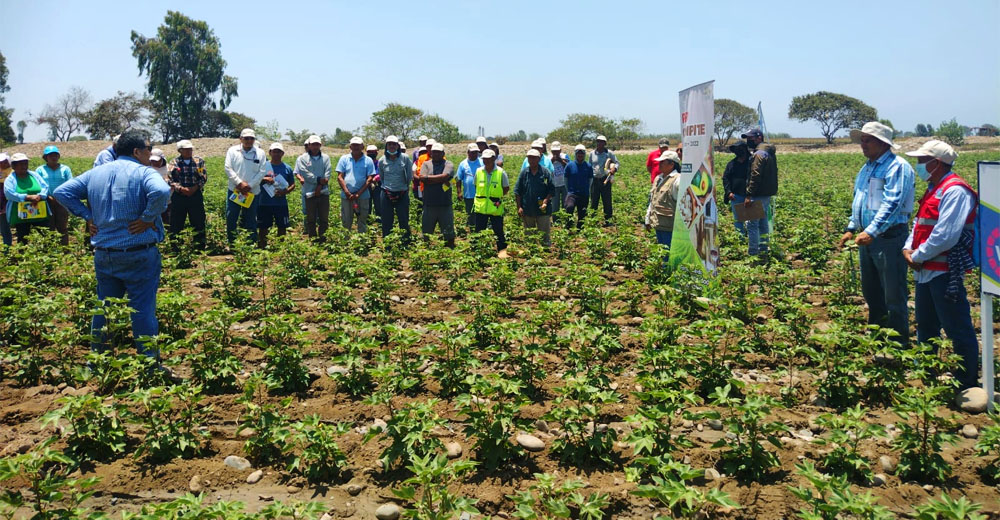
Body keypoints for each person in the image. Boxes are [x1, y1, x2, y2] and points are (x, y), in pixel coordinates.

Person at [51, 130, 171, 363]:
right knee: (142, 309)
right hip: (139, 253)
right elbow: (162, 191)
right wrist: (147, 218)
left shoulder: (96, 173)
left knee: (104, 308)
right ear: (136, 151)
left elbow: (61, 192)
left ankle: (98, 361)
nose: (150, 153)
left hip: (105, 254)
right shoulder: (143, 172)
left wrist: (87, 215)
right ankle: (148, 364)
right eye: (148, 149)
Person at [902, 140, 979, 390]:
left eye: (922, 161)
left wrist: (918, 255)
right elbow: (920, 222)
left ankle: (966, 381)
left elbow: (946, 235)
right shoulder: (934, 187)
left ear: (936, 163)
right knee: (926, 325)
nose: (919, 166)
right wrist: (908, 247)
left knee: (956, 326)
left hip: (944, 270)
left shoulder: (955, 190)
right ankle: (925, 373)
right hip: (925, 269)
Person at [838, 121, 915, 345]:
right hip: (868, 238)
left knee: (893, 293)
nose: (863, 144)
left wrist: (871, 230)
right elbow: (860, 199)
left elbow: (892, 204)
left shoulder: (897, 167)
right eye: (862, 140)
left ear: (882, 143)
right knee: (871, 291)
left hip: (889, 237)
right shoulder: (867, 167)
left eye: (867, 140)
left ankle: (898, 342)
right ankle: (878, 336)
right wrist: (851, 227)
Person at [224, 128, 267, 245]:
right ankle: (232, 244)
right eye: (246, 138)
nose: (249, 140)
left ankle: (251, 244)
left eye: (251, 138)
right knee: (231, 217)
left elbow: (262, 171)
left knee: (251, 218)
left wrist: (249, 185)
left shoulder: (260, 153)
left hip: (252, 192)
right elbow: (228, 168)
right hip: (235, 190)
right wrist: (239, 183)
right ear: (241, 139)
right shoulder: (232, 151)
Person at [741, 128, 778, 258]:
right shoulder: (768, 152)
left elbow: (755, 175)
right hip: (766, 194)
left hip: (757, 194)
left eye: (751, 138)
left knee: (752, 224)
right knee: (763, 223)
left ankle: (753, 252)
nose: (748, 141)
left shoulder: (758, 154)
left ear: (759, 138)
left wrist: (749, 194)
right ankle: (764, 249)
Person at [168, 140, 207, 250]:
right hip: (179, 196)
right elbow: (170, 179)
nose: (189, 151)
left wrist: (194, 188)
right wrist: (181, 188)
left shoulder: (199, 161)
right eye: (186, 149)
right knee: (176, 222)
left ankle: (199, 247)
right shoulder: (174, 162)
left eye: (190, 149)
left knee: (198, 221)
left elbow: (203, 177)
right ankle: (175, 247)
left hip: (195, 195)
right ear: (180, 150)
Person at [4, 153, 50, 243]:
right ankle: (22, 255)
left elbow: (45, 186)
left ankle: (48, 255)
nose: (24, 166)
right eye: (20, 164)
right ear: (13, 166)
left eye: (25, 163)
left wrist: (40, 196)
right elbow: (9, 193)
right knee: (23, 237)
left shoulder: (34, 175)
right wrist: (27, 197)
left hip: (39, 212)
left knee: (46, 235)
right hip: (21, 215)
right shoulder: (10, 179)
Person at [258, 142, 295, 248]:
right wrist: (265, 179)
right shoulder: (263, 166)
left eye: (279, 152)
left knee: (282, 226)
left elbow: (293, 185)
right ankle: (262, 247)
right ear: (270, 152)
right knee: (263, 227)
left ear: (282, 153)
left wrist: (285, 192)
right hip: (264, 202)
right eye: (274, 151)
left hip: (281, 203)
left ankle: (280, 248)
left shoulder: (287, 168)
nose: (276, 154)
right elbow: (255, 179)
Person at [515, 149, 555, 247]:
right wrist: (519, 207)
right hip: (527, 208)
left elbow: (552, 189)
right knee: (529, 235)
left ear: (539, 159)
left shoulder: (545, 172)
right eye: (530, 158)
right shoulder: (524, 173)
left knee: (544, 234)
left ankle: (546, 253)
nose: (532, 160)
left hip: (543, 209)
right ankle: (531, 251)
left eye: (534, 158)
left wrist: (546, 200)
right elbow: (517, 191)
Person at [295, 135, 332, 241]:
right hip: (309, 192)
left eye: (317, 144)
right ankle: (312, 238)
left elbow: (328, 173)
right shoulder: (303, 158)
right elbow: (305, 174)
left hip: (323, 191)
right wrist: (318, 180)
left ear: (320, 145)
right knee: (311, 217)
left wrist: (320, 186)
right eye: (313, 144)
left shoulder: (326, 158)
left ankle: (323, 237)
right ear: (309, 145)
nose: (315, 147)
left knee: (324, 217)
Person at [645, 151, 683, 254]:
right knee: (661, 251)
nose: (660, 164)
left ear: (671, 164)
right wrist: (648, 218)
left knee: (668, 252)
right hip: (658, 222)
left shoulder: (678, 180)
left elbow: (682, 204)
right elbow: (653, 200)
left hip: (670, 225)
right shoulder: (658, 178)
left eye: (663, 162)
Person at [420, 142, 457, 247]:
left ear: (443, 153)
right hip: (429, 203)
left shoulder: (448, 164)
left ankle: (450, 251)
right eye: (434, 152)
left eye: (438, 152)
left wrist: (428, 179)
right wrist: (439, 179)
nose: (436, 154)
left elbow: (445, 176)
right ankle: (426, 253)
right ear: (431, 153)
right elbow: (422, 178)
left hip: (444, 203)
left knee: (448, 232)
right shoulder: (426, 164)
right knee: (426, 232)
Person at [336, 136, 376, 233]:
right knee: (346, 220)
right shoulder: (344, 159)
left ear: (362, 147)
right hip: (347, 196)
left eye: (358, 145)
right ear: (350, 147)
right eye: (354, 145)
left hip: (363, 195)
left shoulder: (368, 160)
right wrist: (347, 192)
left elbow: (369, 178)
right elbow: (340, 177)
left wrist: (358, 193)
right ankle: (345, 243)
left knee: (362, 219)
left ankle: (361, 241)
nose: (356, 147)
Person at [472, 149, 510, 253]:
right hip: (481, 207)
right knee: (479, 231)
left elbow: (506, 188)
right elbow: (476, 185)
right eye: (484, 159)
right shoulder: (479, 171)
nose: (486, 161)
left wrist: (497, 196)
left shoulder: (501, 172)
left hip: (495, 207)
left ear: (493, 159)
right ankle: (477, 251)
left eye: (488, 159)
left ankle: (502, 251)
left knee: (498, 231)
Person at [36, 145, 74, 245]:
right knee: (49, 227)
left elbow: (70, 184)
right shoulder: (40, 170)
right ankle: (50, 251)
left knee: (62, 227)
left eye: (55, 155)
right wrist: (47, 196)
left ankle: (65, 250)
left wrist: (60, 197)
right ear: (46, 157)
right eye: (50, 155)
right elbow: (37, 185)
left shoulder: (65, 169)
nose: (53, 157)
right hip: (46, 201)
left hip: (62, 202)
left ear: (58, 156)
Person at [378, 135, 413, 240]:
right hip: (386, 192)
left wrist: (404, 187)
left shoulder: (405, 158)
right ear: (386, 146)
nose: (392, 146)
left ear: (398, 146)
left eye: (394, 144)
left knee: (403, 219)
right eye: (389, 144)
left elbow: (409, 176)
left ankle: (405, 240)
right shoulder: (382, 160)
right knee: (386, 219)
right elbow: (382, 177)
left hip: (402, 192)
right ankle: (388, 241)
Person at [722, 140, 751, 236]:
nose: (738, 151)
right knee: (738, 220)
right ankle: (740, 240)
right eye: (736, 149)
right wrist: (729, 192)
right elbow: (725, 178)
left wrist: (750, 195)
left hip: (751, 196)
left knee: (753, 220)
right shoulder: (732, 164)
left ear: (745, 149)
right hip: (736, 196)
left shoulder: (752, 162)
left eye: (740, 149)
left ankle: (753, 239)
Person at [589, 135, 619, 226]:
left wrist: (615, 169)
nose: (599, 143)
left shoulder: (609, 153)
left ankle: (608, 221)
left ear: (605, 143)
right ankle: (593, 221)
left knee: (607, 201)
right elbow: (590, 165)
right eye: (598, 141)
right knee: (594, 201)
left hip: (605, 179)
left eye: (602, 142)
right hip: (595, 180)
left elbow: (617, 163)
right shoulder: (592, 153)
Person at [564, 144, 594, 229]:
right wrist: (568, 190)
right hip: (572, 193)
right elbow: (565, 179)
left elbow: (590, 179)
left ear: (584, 155)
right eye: (578, 153)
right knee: (569, 207)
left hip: (584, 193)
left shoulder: (588, 166)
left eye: (582, 154)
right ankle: (568, 226)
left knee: (582, 213)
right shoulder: (570, 165)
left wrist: (587, 189)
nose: (580, 155)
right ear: (575, 154)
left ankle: (580, 229)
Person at [455, 144, 483, 231]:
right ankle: (472, 233)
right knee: (470, 214)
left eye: (476, 152)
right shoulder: (463, 164)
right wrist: (459, 192)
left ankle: (480, 232)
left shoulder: (482, 162)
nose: (474, 154)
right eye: (472, 152)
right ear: (468, 152)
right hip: (469, 194)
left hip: (481, 194)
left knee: (480, 215)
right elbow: (458, 179)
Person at [149, 148, 171, 225]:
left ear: (162, 158)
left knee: (168, 222)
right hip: (154, 202)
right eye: (152, 161)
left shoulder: (169, 168)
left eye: (156, 161)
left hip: (168, 201)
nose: (154, 162)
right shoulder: (148, 168)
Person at [549, 142, 569, 217]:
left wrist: (561, 161)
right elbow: (546, 169)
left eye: (557, 151)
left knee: (565, 203)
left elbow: (569, 167)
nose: (555, 153)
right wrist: (552, 161)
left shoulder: (565, 156)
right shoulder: (549, 158)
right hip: (554, 184)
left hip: (564, 184)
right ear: (551, 151)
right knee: (555, 205)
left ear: (560, 150)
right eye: (554, 151)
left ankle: (565, 219)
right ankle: (555, 221)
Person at [367, 144, 382, 219]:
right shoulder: (365, 163)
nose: (371, 154)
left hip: (377, 185)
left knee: (378, 203)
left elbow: (381, 173)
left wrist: (375, 178)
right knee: (367, 203)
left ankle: (379, 219)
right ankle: (368, 220)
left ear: (376, 153)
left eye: (373, 152)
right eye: (370, 152)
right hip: (366, 185)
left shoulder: (379, 163)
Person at [0, 153, 12, 246]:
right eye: (1, 162)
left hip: (7, 202)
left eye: (5, 162)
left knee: (5, 227)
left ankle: (7, 248)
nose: (3, 164)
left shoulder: (12, 172)